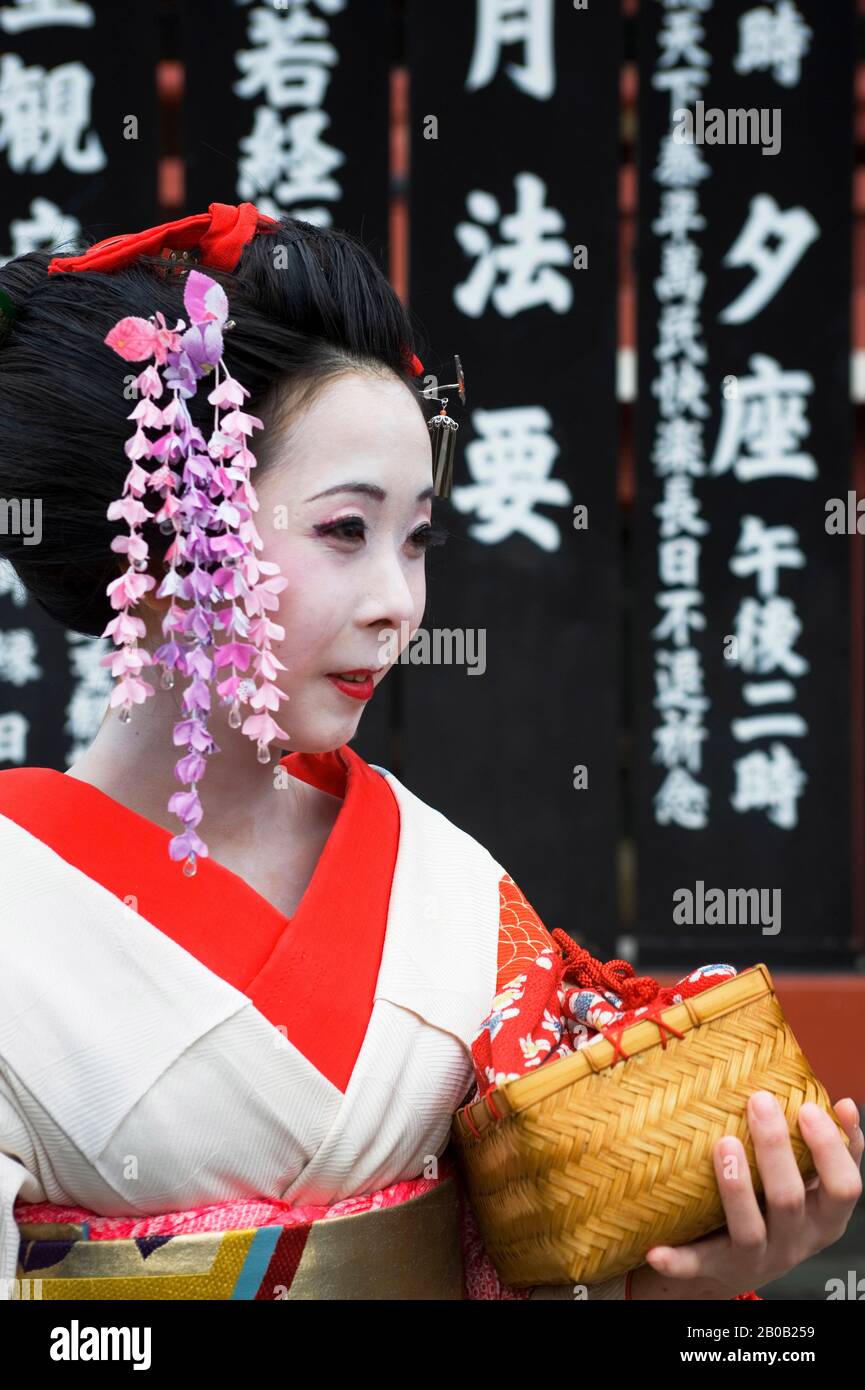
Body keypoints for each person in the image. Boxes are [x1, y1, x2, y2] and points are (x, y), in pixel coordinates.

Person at [0, 205, 859, 1301]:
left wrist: (692, 1273)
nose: (397, 604)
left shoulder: (443, 881)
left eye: (416, 540)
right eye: (344, 531)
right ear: (173, 533)